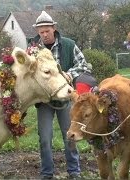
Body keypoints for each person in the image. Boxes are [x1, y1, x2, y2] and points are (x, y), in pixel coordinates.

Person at [30, 11, 90, 179]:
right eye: (41, 32)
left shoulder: (69, 45)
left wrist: (69, 74)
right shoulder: (33, 49)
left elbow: (83, 64)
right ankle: (47, 173)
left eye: (47, 31)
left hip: (66, 99)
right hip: (44, 101)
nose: (44, 35)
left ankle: (74, 171)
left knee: (69, 134)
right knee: (45, 137)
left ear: (54, 28)